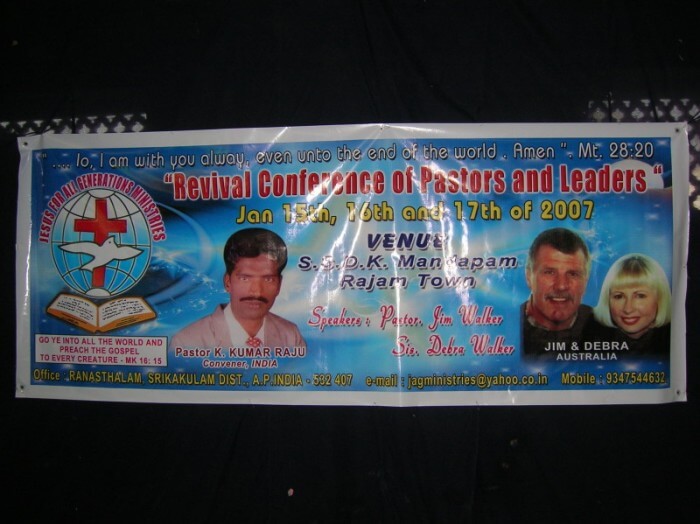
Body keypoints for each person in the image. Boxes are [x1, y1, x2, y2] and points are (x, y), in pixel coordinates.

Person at [171, 227, 306, 350]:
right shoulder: (186, 342)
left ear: (279, 285)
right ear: (228, 282)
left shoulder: (291, 336)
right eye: (245, 278)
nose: (257, 292)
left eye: (268, 279)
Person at [521, 227, 610, 358]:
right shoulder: (507, 329)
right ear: (529, 276)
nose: (561, 286)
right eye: (549, 272)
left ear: (586, 280)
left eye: (573, 274)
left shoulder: (607, 330)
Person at [593, 253, 672, 356]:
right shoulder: (588, 338)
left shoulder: (675, 341)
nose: (628, 309)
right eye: (619, 296)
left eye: (640, 296)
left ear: (660, 298)